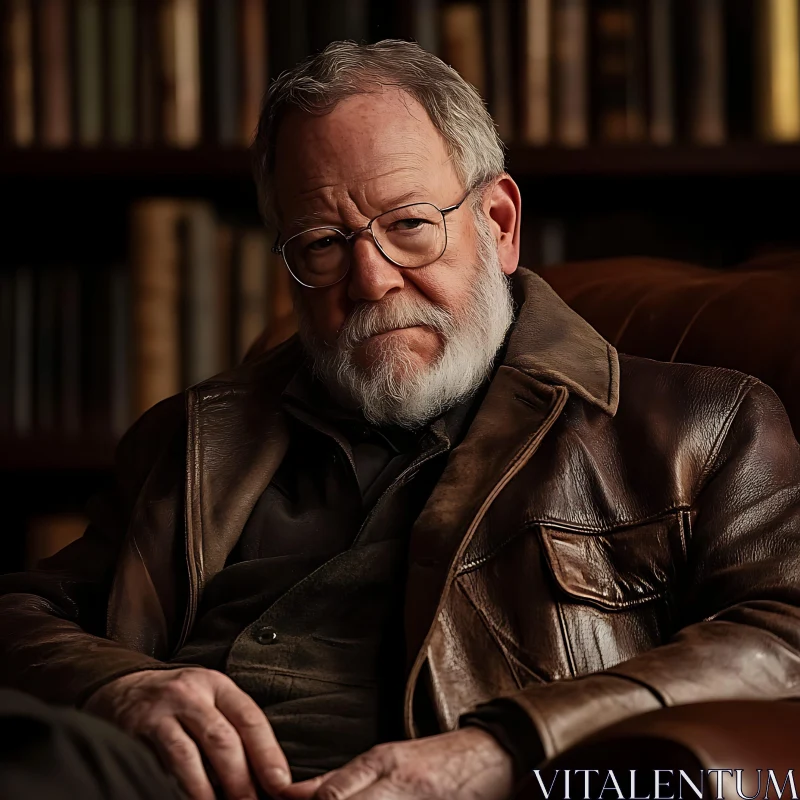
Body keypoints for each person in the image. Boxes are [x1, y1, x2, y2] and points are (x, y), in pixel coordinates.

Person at [2, 39, 800, 800]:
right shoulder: (190, 440)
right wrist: (120, 684)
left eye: (409, 225)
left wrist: (509, 747)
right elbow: (22, 617)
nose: (372, 279)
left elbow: (787, 637)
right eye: (321, 244)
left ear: (498, 222)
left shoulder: (699, 426)